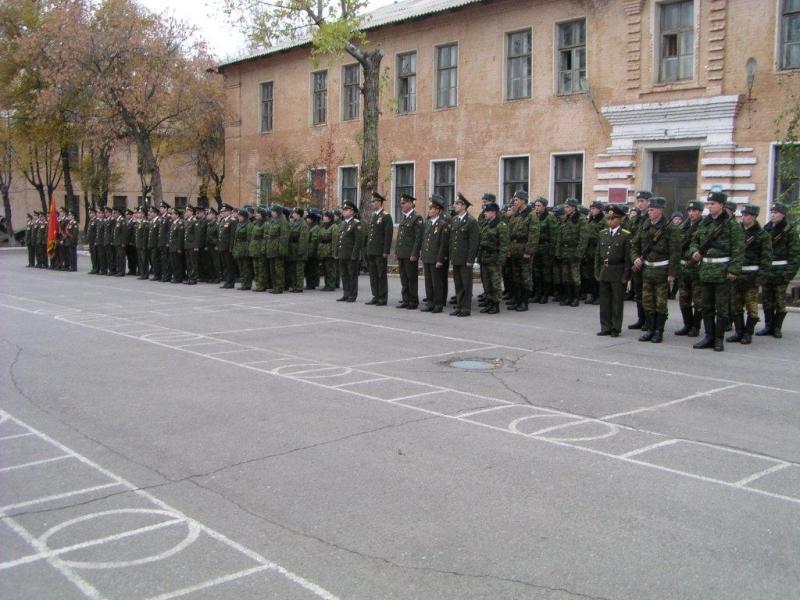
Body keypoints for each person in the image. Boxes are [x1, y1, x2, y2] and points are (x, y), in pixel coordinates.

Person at [690, 191, 744, 351]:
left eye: (713, 204)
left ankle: (719, 339)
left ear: (721, 205)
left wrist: (733, 270)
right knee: (706, 306)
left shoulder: (732, 225)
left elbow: (739, 250)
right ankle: (708, 336)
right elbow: (694, 240)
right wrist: (694, 251)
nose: (710, 206)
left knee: (721, 308)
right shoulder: (704, 223)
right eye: (708, 204)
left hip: (722, 272)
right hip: (706, 270)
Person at [631, 196, 680, 343]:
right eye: (649, 209)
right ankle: (650, 329)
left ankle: (659, 331)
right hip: (647, 271)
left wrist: (672, 273)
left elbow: (675, 252)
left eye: (652, 210)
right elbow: (635, 245)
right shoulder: (645, 225)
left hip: (662, 271)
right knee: (647, 302)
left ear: (660, 210)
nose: (649, 212)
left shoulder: (671, 228)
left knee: (660, 304)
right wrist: (636, 258)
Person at [727, 204, 772, 345]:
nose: (744, 217)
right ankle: (739, 332)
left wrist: (761, 278)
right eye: (743, 214)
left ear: (754, 217)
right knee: (735, 306)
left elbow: (766, 259)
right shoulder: (736, 231)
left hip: (752, 276)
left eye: (747, 215)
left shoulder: (762, 235)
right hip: (736, 275)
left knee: (752, 308)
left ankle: (748, 333)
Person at [757, 202, 800, 339]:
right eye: (772, 212)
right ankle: (768, 326)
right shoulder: (766, 229)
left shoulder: (790, 231)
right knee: (766, 299)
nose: (773, 215)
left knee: (780, 301)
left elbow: (795, 256)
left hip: (781, 270)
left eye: (776, 212)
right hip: (768, 270)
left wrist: (788, 274)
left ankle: (777, 327)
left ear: (783, 214)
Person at [595, 203, 632, 337]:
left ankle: (615, 327)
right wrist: (597, 271)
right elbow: (597, 254)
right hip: (604, 270)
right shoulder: (603, 233)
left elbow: (628, 258)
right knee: (604, 301)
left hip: (618, 270)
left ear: (620, 219)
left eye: (613, 218)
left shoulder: (625, 235)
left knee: (617, 302)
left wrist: (626, 275)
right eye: (608, 218)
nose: (610, 221)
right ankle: (605, 327)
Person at [674, 201, 704, 337]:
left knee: (698, 300)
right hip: (683, 267)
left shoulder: (704, 226)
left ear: (700, 212)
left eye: (695, 211)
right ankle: (687, 324)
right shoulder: (683, 226)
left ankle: (696, 327)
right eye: (690, 211)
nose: (691, 213)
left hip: (697, 268)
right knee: (684, 298)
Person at [506, 190, 538, 312]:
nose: (515, 201)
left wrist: (528, 251)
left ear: (523, 200)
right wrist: (509, 249)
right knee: (516, 277)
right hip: (514, 249)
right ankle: (517, 300)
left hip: (524, 249)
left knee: (525, 277)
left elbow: (533, 235)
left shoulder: (531, 215)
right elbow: (510, 233)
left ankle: (524, 302)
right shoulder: (516, 214)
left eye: (517, 199)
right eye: (515, 199)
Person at [449, 193, 479, 317]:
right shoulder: (455, 220)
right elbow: (452, 240)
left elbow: (474, 242)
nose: (455, 205)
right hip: (456, 257)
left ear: (464, 206)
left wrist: (470, 259)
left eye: (457, 204)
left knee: (466, 284)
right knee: (458, 284)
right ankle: (459, 306)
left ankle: (466, 308)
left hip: (465, 258)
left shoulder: (471, 221)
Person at [478, 201, 509, 314]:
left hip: (494, 258)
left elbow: (504, 245)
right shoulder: (486, 224)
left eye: (487, 211)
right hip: (485, 258)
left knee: (495, 283)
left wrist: (500, 260)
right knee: (486, 282)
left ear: (493, 212)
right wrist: (479, 257)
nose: (484, 213)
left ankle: (496, 305)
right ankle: (489, 302)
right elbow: (482, 242)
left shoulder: (501, 225)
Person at [420, 194, 450, 313]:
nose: (429, 210)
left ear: (438, 210)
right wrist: (422, 255)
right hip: (427, 257)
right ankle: (430, 302)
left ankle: (438, 303)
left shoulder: (443, 224)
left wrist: (440, 259)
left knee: (436, 282)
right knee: (428, 282)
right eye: (429, 208)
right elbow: (425, 240)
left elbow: (443, 244)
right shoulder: (428, 223)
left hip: (436, 258)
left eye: (432, 209)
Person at [395, 193, 424, 309]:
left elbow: (418, 238)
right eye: (401, 203)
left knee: (411, 278)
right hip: (402, 253)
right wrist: (397, 250)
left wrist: (414, 253)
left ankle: (413, 300)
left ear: (411, 204)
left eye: (403, 203)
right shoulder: (404, 218)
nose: (401, 205)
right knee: (403, 278)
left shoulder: (417, 218)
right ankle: (405, 299)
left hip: (410, 254)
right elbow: (400, 237)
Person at [627, 190, 652, 326]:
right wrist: (634, 257)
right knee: (638, 293)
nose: (640, 204)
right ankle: (641, 319)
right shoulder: (635, 219)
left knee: (647, 294)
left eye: (643, 201)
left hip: (647, 260)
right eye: (639, 201)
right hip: (635, 258)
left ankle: (648, 321)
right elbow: (631, 238)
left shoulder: (652, 218)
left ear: (649, 202)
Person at [557, 198, 588, 307]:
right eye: (565, 207)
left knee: (575, 276)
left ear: (573, 208)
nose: (565, 209)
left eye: (567, 207)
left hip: (574, 251)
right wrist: (558, 252)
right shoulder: (566, 219)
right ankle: (568, 297)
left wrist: (579, 254)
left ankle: (575, 298)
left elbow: (583, 239)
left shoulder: (581, 220)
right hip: (565, 251)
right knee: (565, 276)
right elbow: (560, 237)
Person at [364, 191, 393, 305]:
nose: (372, 203)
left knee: (381, 274)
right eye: (372, 201)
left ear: (379, 202)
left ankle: (382, 297)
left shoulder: (386, 216)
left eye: (374, 201)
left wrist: (386, 250)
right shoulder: (373, 216)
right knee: (373, 275)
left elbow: (388, 235)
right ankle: (375, 295)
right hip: (372, 250)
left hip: (380, 251)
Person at [337, 200, 363, 302]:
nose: (344, 211)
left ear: (352, 211)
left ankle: (352, 295)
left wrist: (354, 255)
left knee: (352, 275)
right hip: (342, 254)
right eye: (343, 210)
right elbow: (338, 239)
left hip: (351, 254)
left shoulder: (356, 224)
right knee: (344, 275)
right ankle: (346, 294)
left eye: (346, 210)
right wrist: (336, 252)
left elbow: (358, 241)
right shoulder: (343, 223)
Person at [583, 201, 606, 305]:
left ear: (600, 209)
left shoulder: (604, 221)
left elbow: (604, 236)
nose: (592, 210)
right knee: (590, 274)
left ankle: (600, 296)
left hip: (599, 249)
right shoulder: (591, 220)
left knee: (599, 274)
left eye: (594, 208)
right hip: (589, 250)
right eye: (591, 208)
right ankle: (592, 294)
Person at [532, 197, 555, 304]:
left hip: (545, 249)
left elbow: (553, 235)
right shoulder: (533, 217)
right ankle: (537, 294)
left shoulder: (549, 218)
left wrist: (551, 250)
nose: (536, 208)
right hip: (536, 249)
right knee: (536, 273)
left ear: (544, 206)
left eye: (539, 206)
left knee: (545, 273)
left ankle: (545, 295)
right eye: (535, 206)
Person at [265, 204, 289, 294]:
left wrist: (281, 250)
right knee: (272, 269)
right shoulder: (273, 220)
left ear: (278, 212)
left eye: (274, 211)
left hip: (278, 248)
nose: (272, 213)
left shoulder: (283, 221)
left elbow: (284, 237)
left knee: (278, 269)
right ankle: (275, 286)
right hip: (271, 247)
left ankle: (279, 287)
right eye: (272, 211)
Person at [287, 207, 309, 293]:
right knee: (292, 269)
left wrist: (301, 251)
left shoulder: (303, 225)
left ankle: (299, 286)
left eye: (294, 213)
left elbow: (303, 240)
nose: (293, 215)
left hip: (298, 249)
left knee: (299, 269)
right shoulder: (294, 223)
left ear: (298, 214)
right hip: (293, 248)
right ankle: (294, 285)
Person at [316, 210, 337, 291]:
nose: (323, 218)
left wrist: (333, 252)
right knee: (324, 268)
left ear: (330, 218)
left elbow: (334, 240)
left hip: (329, 249)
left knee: (330, 269)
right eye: (324, 216)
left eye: (325, 216)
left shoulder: (334, 227)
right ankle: (326, 284)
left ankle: (331, 285)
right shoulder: (322, 226)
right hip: (322, 250)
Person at [233, 208, 252, 290]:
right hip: (239, 247)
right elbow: (236, 237)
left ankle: (247, 284)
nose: (238, 217)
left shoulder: (249, 225)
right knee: (241, 267)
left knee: (246, 267)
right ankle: (243, 283)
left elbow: (249, 238)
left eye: (240, 216)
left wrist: (248, 250)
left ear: (244, 217)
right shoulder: (239, 224)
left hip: (245, 247)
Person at [249, 207, 267, 291]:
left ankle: (262, 285)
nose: (256, 215)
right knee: (255, 267)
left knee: (261, 268)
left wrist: (263, 248)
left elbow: (265, 237)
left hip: (260, 247)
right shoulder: (255, 223)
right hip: (254, 247)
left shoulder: (266, 224)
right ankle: (258, 284)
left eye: (258, 213)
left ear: (262, 215)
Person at [218, 203, 236, 288]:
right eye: (223, 211)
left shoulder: (232, 221)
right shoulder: (223, 220)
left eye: (225, 211)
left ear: (229, 212)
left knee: (230, 265)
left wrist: (231, 247)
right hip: (222, 246)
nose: (223, 213)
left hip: (228, 247)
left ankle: (231, 282)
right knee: (225, 265)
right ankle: (227, 281)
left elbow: (232, 236)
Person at [169, 208, 186, 283]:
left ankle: (179, 277)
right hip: (172, 247)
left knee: (178, 263)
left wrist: (179, 248)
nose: (171, 215)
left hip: (177, 247)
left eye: (173, 214)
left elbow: (180, 237)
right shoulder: (174, 223)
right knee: (173, 263)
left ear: (177, 215)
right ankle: (175, 276)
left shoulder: (180, 223)